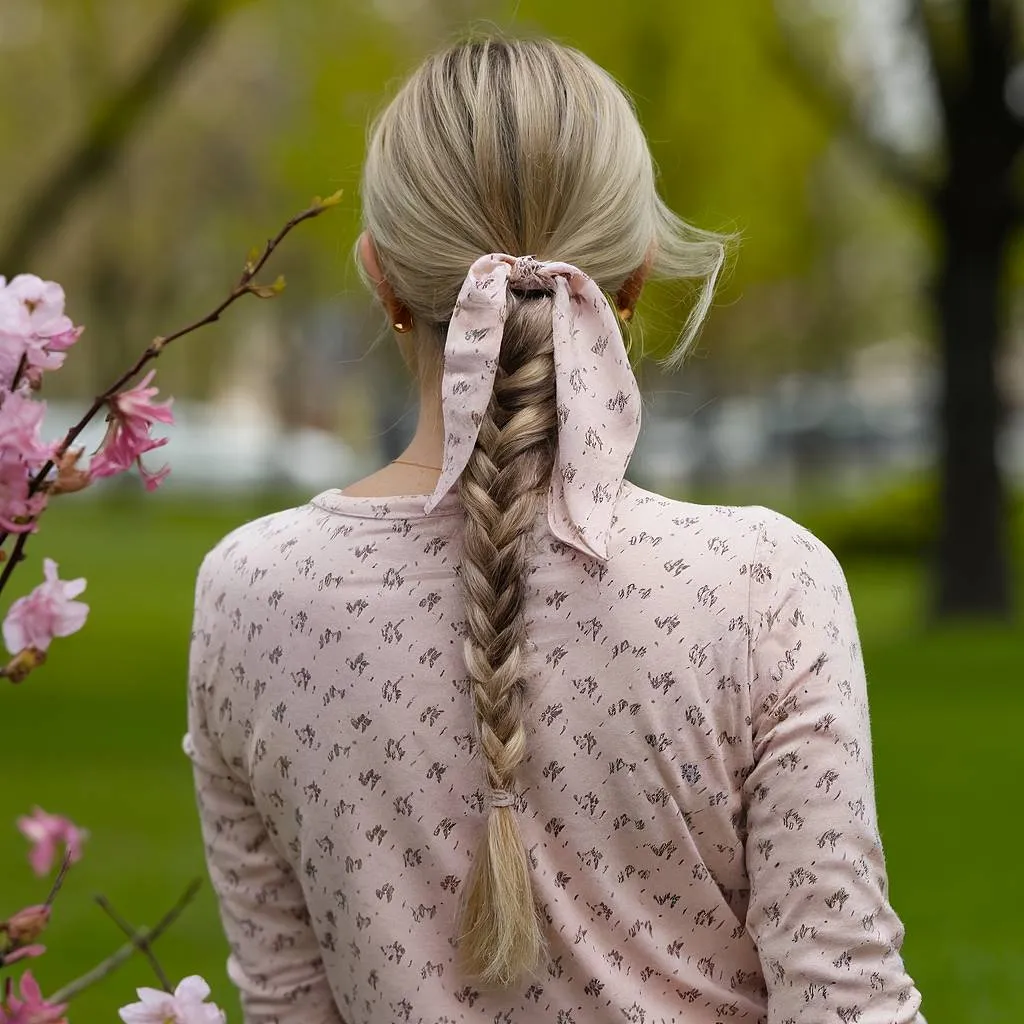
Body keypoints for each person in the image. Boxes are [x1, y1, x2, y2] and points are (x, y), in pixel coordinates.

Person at [185, 36, 926, 1024]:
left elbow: (286, 1006)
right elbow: (844, 1002)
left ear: (382, 279)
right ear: (633, 279)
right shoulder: (764, 585)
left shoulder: (253, 595)